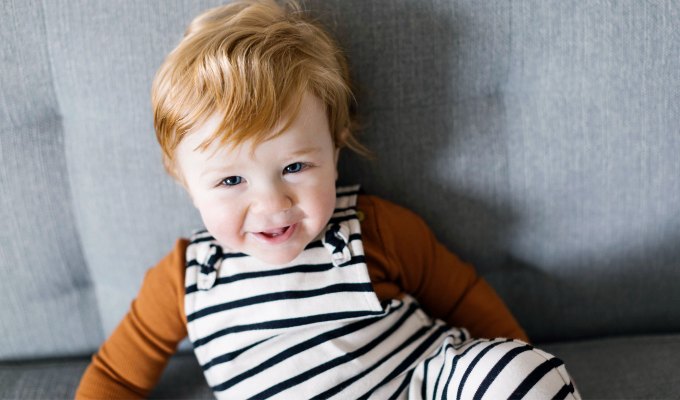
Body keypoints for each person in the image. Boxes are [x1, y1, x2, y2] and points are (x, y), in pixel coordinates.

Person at [76, 0, 579, 398]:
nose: (273, 203)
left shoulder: (372, 227)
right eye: (231, 181)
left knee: (519, 375)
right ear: (183, 179)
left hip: (429, 385)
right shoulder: (184, 283)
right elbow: (117, 377)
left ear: (334, 151)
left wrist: (516, 359)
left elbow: (464, 296)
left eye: (295, 167)